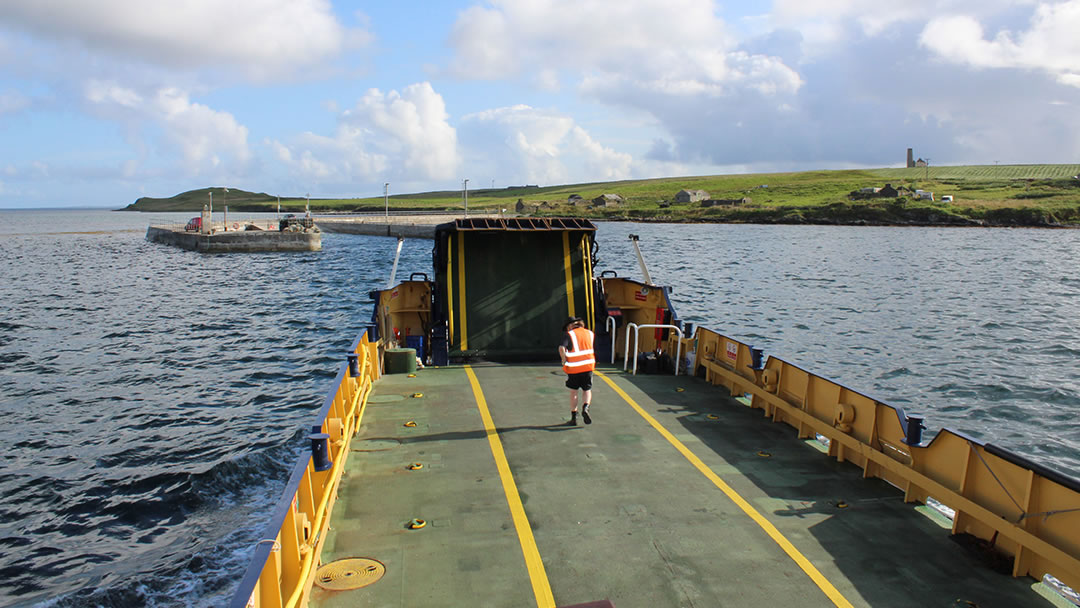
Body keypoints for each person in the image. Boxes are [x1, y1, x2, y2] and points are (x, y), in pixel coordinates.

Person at [559, 316, 595, 425]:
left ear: (570, 326)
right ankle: (586, 407)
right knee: (587, 390)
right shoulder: (590, 333)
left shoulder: (569, 335)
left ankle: (574, 418)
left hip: (574, 368)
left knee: (573, 392)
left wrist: (564, 359)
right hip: (588, 367)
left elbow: (561, 348)